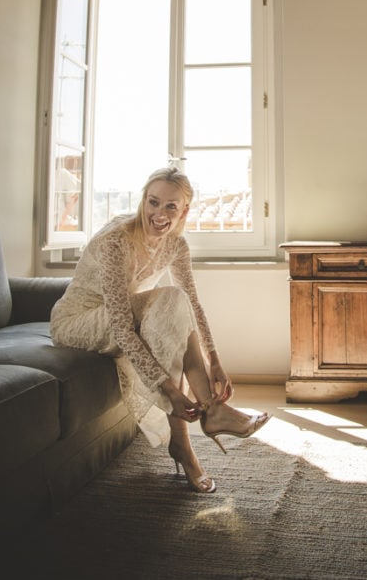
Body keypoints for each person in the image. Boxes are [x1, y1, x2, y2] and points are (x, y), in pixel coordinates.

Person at [50, 166, 270, 494]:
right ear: (143, 200)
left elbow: (192, 305)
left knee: (176, 310)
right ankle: (205, 421)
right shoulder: (117, 241)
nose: (159, 213)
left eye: (171, 206)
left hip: (126, 317)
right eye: (153, 202)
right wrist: (168, 389)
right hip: (77, 322)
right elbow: (121, 325)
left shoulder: (176, 246)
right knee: (169, 303)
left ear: (184, 210)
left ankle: (208, 416)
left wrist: (216, 360)